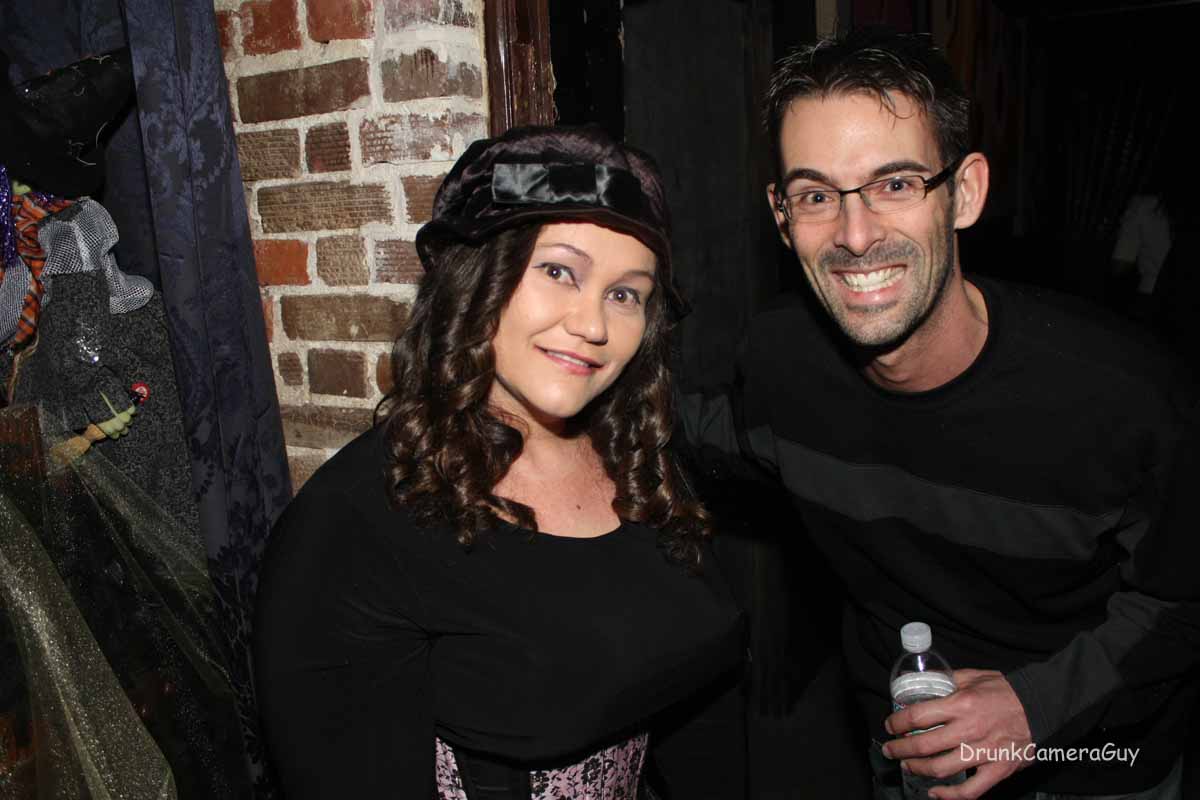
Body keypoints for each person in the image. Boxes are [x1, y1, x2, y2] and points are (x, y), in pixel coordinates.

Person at [682, 29, 1199, 800]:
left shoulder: (1126, 398)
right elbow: (701, 429)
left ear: (965, 192)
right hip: (904, 753)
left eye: (895, 183)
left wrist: (1036, 706)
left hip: (1098, 764)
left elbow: (1184, 600)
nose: (856, 236)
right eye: (817, 195)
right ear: (781, 217)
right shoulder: (781, 362)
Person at [254, 125, 745, 799]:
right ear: (477, 276)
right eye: (558, 271)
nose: (594, 324)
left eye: (625, 293)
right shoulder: (357, 523)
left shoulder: (637, 458)